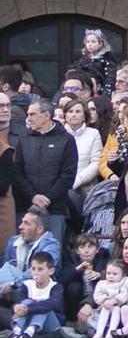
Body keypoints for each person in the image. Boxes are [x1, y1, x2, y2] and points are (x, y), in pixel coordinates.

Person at [14, 101, 77, 249]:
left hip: (55, 209)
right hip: (26, 207)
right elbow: (17, 172)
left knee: (51, 253)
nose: (28, 118)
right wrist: (33, 196)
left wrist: (49, 197)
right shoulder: (23, 139)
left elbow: (68, 175)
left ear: (46, 115)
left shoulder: (66, 139)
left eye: (32, 114)